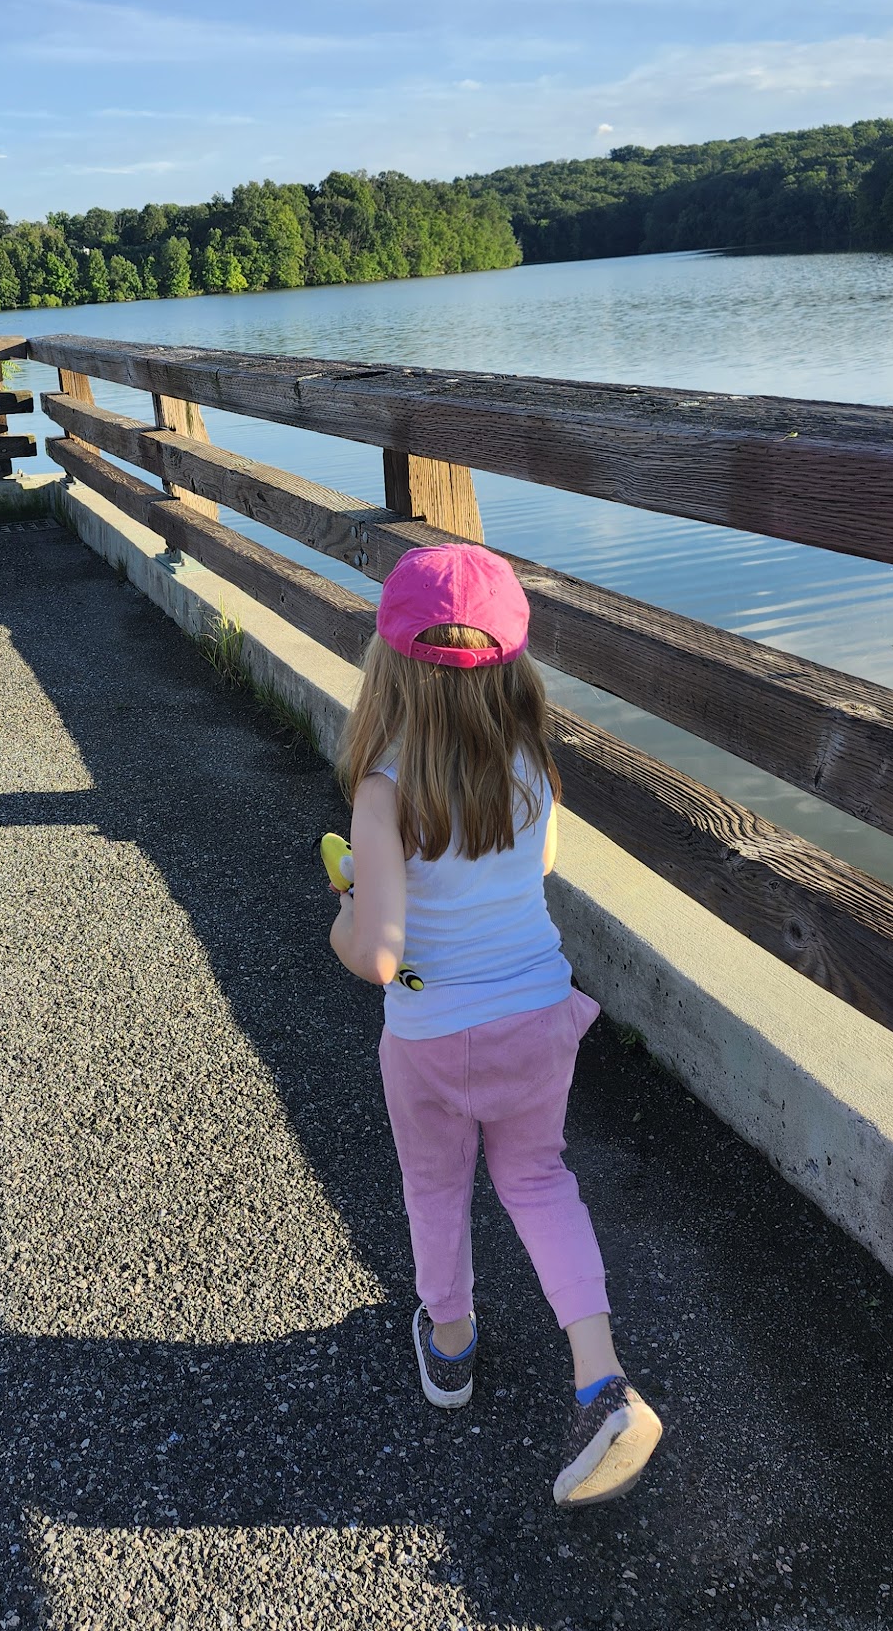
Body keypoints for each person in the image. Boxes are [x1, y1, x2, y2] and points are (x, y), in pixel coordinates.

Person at [329, 542, 661, 1509]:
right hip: (538, 1017)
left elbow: (380, 956)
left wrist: (346, 914)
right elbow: (537, 867)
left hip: (432, 1036)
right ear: (512, 664)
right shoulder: (532, 767)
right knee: (539, 1180)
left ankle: (451, 1343)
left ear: (388, 668)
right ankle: (603, 1381)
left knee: (436, 1185)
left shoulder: (382, 792)